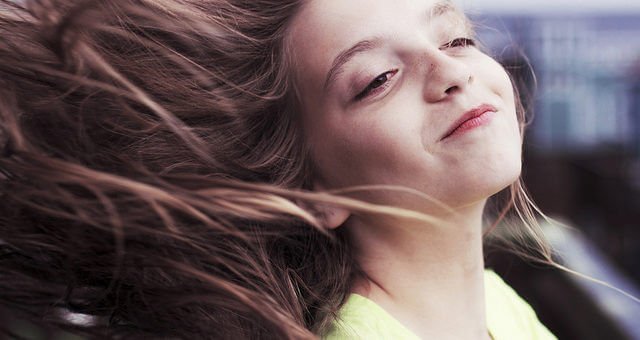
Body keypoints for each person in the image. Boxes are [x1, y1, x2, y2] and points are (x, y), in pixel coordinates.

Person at [0, 0, 557, 339]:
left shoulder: (499, 305)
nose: (449, 71)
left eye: (456, 38)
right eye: (377, 79)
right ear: (311, 190)